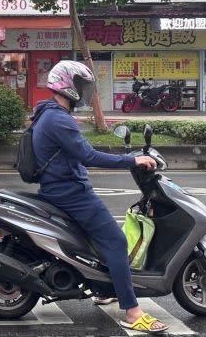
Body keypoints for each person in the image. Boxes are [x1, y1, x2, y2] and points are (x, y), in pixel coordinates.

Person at [31, 61, 168, 334]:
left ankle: (104, 287)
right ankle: (132, 311)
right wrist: (133, 160)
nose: (85, 91)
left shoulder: (47, 113)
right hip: (72, 193)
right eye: (82, 85)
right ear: (67, 85)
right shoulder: (58, 118)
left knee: (98, 241)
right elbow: (89, 156)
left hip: (59, 188)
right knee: (116, 242)